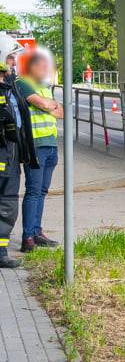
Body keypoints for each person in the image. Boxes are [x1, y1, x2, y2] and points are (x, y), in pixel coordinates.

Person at [16, 51, 61, 252]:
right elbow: (43, 104)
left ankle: (36, 231)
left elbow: (60, 112)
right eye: (41, 66)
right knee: (33, 190)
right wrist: (49, 106)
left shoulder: (44, 87)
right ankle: (28, 238)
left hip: (50, 144)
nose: (45, 69)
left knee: (42, 191)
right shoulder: (23, 83)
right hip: (35, 145)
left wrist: (51, 107)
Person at [0, 34, 38, 268]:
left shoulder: (11, 86)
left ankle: (1, 253)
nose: (15, 62)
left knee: (7, 205)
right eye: (12, 57)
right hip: (2, 155)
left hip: (11, 156)